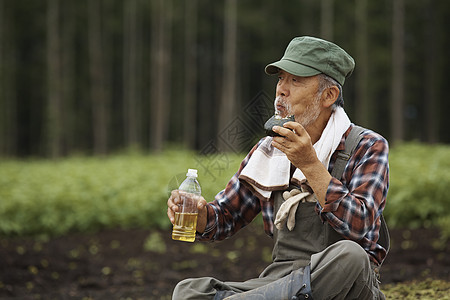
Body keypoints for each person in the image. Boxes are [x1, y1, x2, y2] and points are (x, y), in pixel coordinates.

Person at [167, 36, 389, 300]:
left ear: (329, 95)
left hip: (341, 284)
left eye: (296, 80)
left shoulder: (367, 146)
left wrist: (309, 164)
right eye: (281, 78)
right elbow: (225, 217)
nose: (282, 90)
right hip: (281, 281)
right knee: (188, 291)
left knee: (352, 256)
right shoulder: (269, 149)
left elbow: (362, 226)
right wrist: (200, 214)